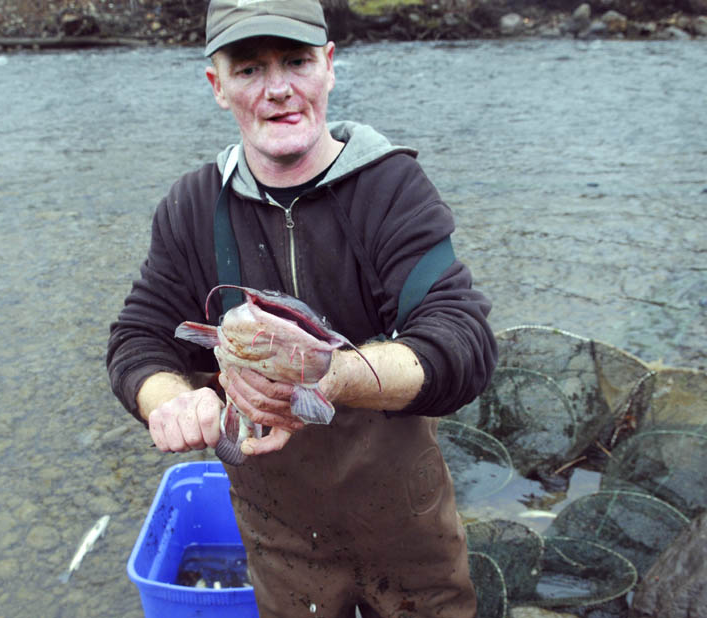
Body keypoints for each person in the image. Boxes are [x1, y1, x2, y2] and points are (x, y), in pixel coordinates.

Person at [107, 0, 498, 616]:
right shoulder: (189, 208)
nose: (278, 90)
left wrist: (330, 373)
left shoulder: (392, 188)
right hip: (281, 544)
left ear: (329, 67)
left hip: (408, 531)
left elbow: (463, 341)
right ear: (217, 85)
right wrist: (170, 400)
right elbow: (139, 339)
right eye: (249, 70)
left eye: (296, 62)